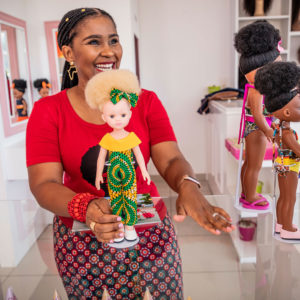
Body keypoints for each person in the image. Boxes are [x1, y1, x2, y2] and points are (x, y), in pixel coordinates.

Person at [26, 7, 234, 299]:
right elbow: (43, 183)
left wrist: (188, 185)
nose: (109, 51)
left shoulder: (145, 101)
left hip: (148, 232)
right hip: (82, 237)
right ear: (68, 53)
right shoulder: (48, 111)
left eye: (113, 40)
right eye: (94, 42)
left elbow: (171, 158)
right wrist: (88, 208)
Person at [86, 69, 151, 242]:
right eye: (112, 116)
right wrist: (99, 174)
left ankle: (130, 227)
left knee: (129, 197)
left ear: (129, 114)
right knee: (115, 199)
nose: (118, 119)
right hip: (113, 174)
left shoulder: (131, 137)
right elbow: (101, 158)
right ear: (104, 117)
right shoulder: (107, 138)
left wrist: (144, 170)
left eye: (122, 115)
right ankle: (119, 227)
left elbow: (138, 154)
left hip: (129, 173)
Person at [234, 20, 281, 210]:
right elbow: (258, 115)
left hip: (256, 129)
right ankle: (250, 195)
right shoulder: (256, 91)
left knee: (250, 164)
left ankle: (247, 193)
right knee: (254, 165)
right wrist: (268, 131)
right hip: (256, 130)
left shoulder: (258, 89)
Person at [255, 61, 300, 239]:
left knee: (283, 196)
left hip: (281, 165)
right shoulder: (287, 132)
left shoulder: (278, 126)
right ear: (287, 113)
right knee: (290, 198)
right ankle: (288, 228)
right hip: (289, 167)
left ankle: (280, 224)